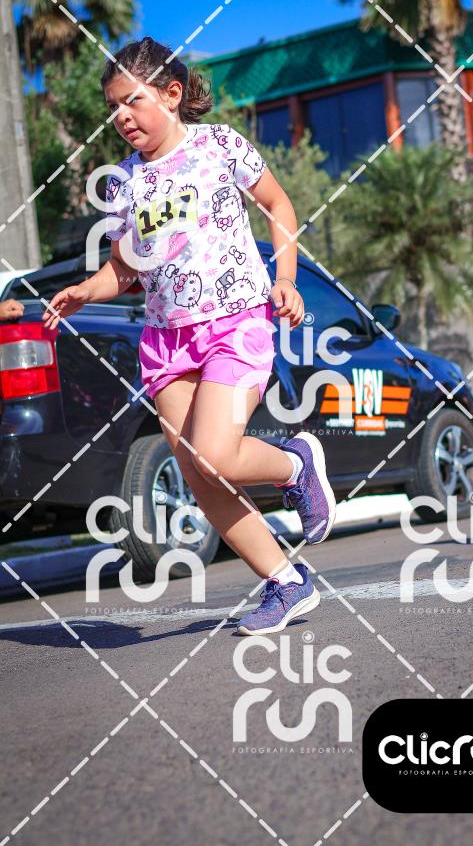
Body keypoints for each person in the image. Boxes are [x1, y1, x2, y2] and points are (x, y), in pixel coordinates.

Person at [41, 36, 336, 635]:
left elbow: (278, 205)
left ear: (171, 94)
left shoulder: (220, 145)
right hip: (166, 341)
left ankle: (295, 465)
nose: (122, 116)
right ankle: (287, 583)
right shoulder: (125, 183)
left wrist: (285, 277)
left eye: (133, 100)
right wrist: (86, 290)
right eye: (113, 106)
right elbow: (127, 266)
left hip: (235, 321)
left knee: (215, 453)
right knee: (200, 475)